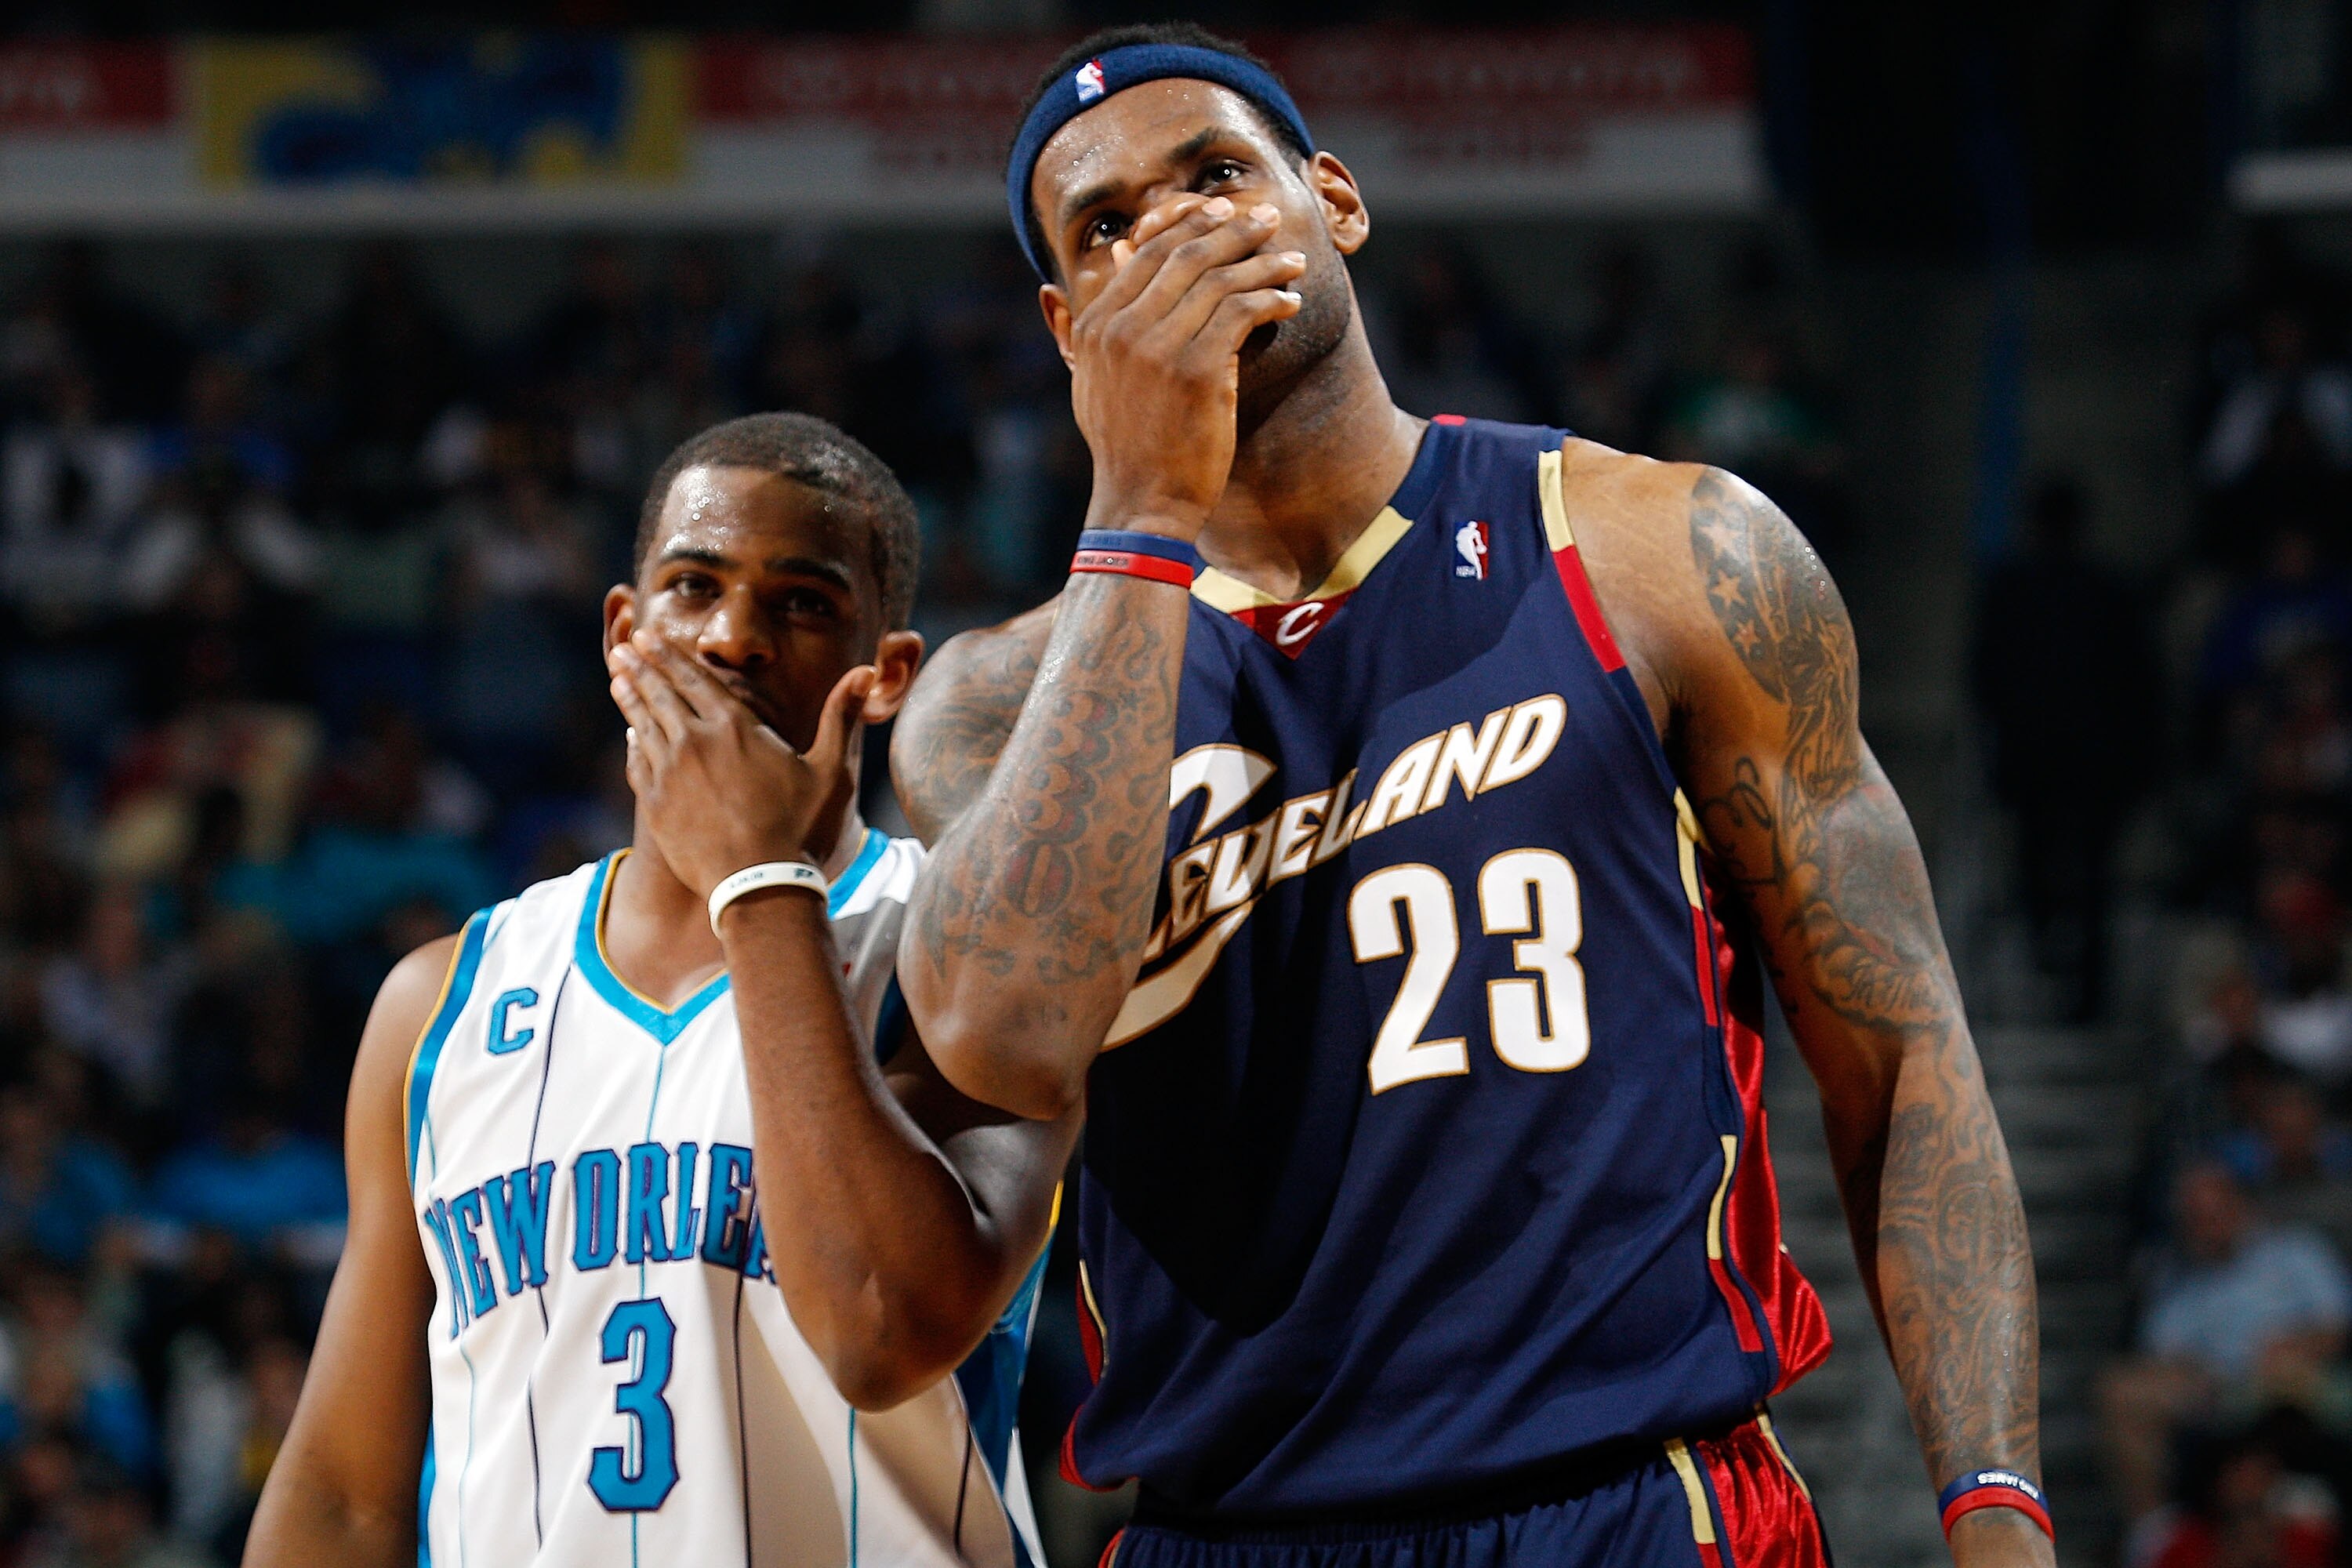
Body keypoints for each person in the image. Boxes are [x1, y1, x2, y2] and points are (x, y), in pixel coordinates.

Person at [890, 24, 2049, 1568]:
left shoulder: (1663, 552)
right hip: (1229, 1528)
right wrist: (1146, 500)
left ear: (1336, 204)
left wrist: (1996, 1514)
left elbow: (1902, 1067)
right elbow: (998, 1049)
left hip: (1637, 1503)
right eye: (1106, 228)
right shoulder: (989, 711)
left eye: (1217, 176)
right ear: (1066, 324)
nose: (1168, 230)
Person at [242, 413, 1076, 1566]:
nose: (734, 639)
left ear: (883, 677)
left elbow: (889, 1325)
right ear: (624, 634)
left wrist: (758, 878)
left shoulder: (974, 948)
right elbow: (344, 1492)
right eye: (693, 587)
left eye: (800, 602)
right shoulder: (439, 1007)